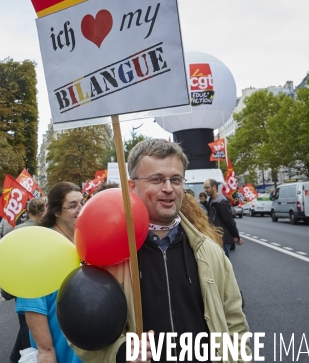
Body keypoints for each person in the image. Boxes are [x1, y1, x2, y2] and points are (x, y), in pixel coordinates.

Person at [71, 139, 249, 363]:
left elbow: (235, 323)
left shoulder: (210, 251)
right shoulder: (109, 255)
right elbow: (80, 329)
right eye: (156, 179)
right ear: (132, 187)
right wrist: (119, 353)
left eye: (175, 179)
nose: (168, 188)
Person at [16, 182, 83, 363]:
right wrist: (46, 352)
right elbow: (33, 305)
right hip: (61, 351)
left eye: (82, 203)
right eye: (72, 205)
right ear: (56, 212)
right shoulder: (40, 247)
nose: (80, 209)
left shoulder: (86, 241)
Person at [6, 197, 47, 363]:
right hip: (42, 279)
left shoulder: (17, 230)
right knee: (34, 321)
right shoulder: (46, 229)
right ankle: (22, 356)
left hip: (21, 280)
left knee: (26, 320)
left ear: (27, 211)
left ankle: (21, 356)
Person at [204, 179, 244, 258]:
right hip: (216, 236)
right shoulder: (211, 200)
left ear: (214, 187)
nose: (205, 190)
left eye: (207, 187)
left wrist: (236, 236)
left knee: (224, 266)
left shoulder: (221, 202)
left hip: (223, 238)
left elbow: (229, 220)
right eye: (204, 188)